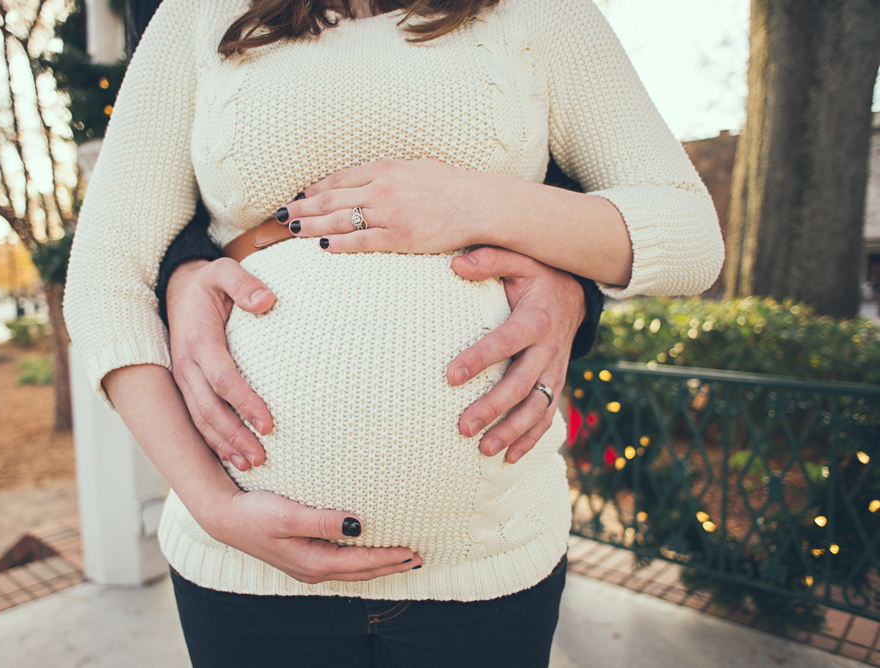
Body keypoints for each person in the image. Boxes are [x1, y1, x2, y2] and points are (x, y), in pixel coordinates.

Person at [63, 0, 724, 665]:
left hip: (492, 566)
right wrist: (211, 505)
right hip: (241, 575)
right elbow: (103, 278)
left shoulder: (540, 10)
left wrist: (476, 203)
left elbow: (689, 232)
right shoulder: (198, 12)